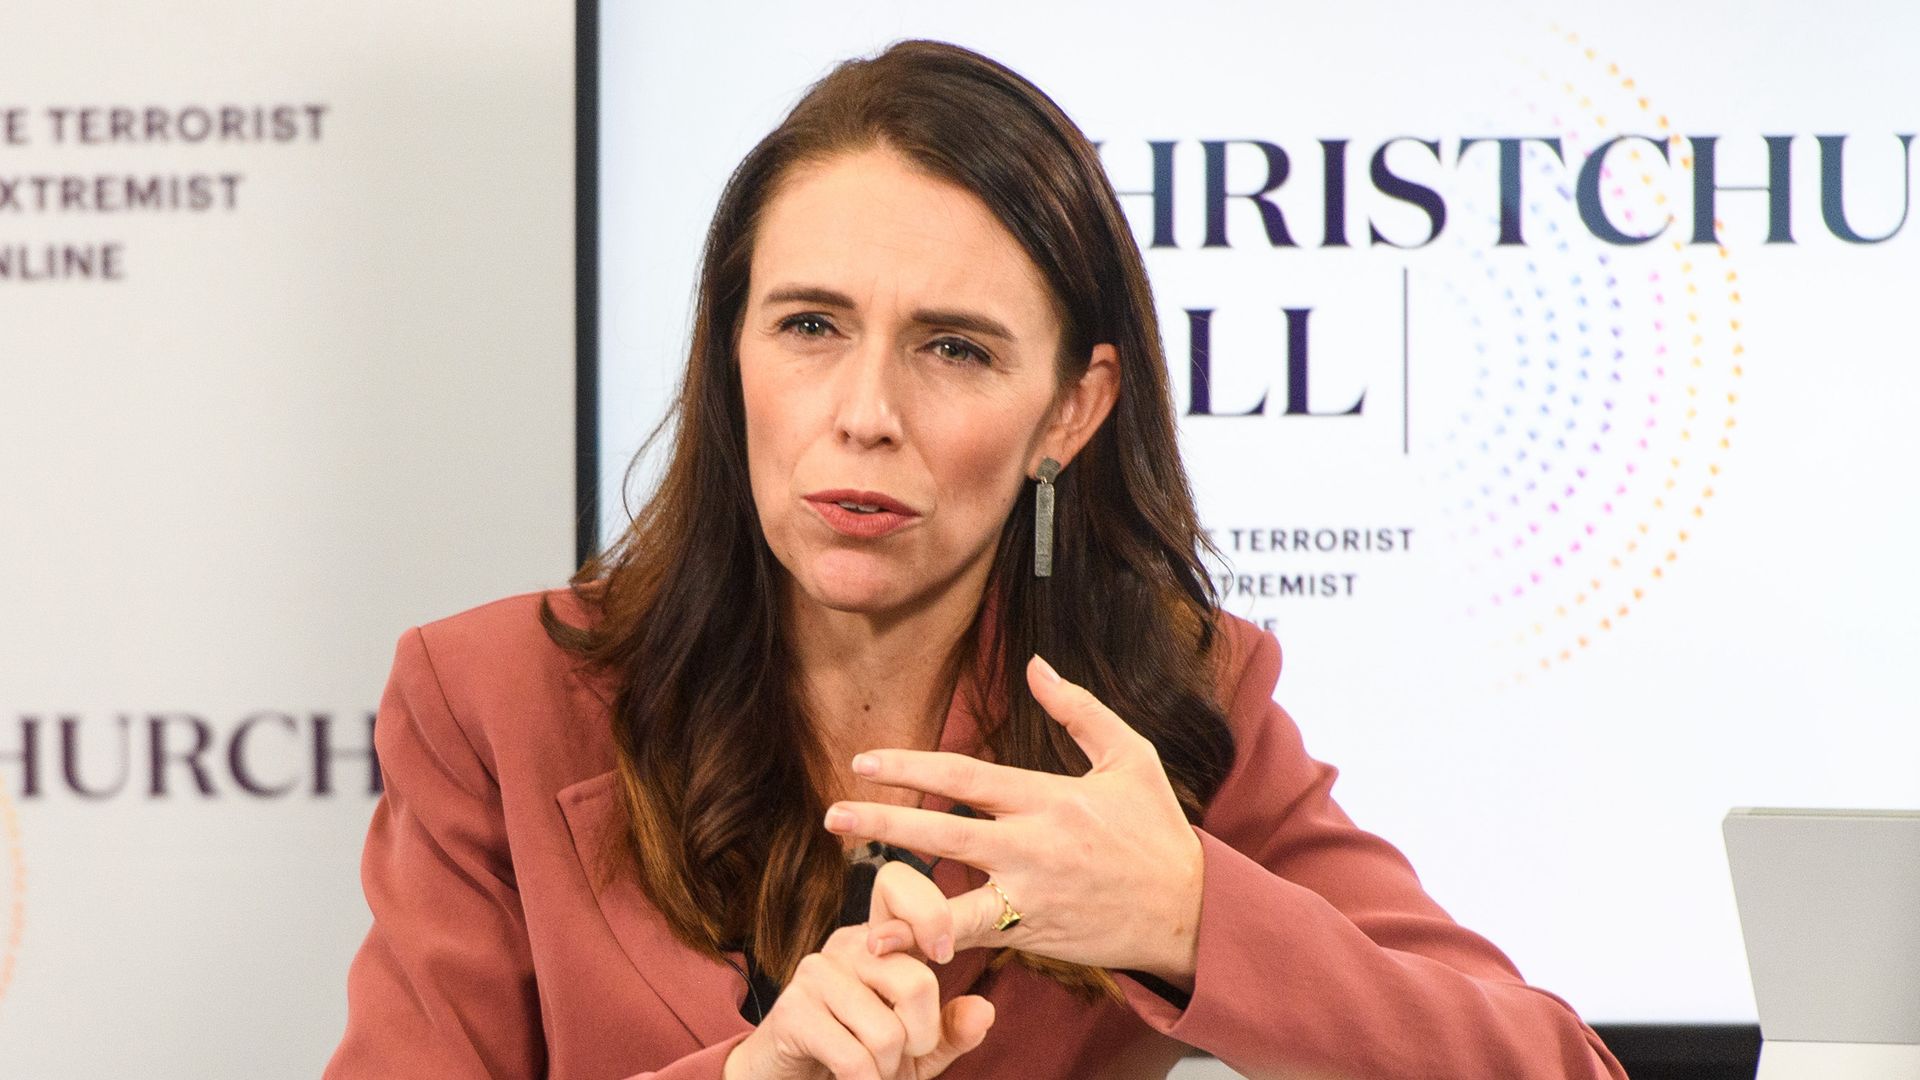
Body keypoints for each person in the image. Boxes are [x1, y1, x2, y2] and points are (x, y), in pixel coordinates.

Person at [324, 39, 1627, 1080]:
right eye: (811, 325)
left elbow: (1554, 1066)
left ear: (1071, 410)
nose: (865, 413)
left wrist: (1184, 915)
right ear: (731, 352)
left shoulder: (1175, 698)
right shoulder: (489, 698)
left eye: (954, 348)